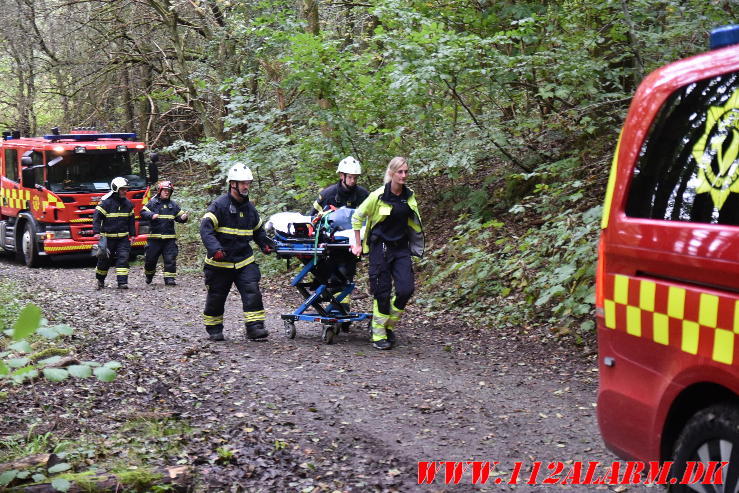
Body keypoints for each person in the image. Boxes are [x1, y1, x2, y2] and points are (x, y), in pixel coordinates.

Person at [351, 157, 424, 350]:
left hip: (401, 249)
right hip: (380, 248)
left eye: (406, 172)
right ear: (391, 173)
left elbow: (414, 221)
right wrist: (357, 244)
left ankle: (388, 325)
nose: (404, 175)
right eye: (400, 172)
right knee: (382, 293)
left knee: (405, 290)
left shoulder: (409, 196)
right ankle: (378, 334)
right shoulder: (377, 196)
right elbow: (357, 217)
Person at [200, 162, 275, 341]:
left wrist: (265, 244)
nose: (246, 186)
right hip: (220, 262)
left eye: (248, 182)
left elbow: (258, 231)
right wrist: (215, 249)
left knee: (252, 291)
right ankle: (214, 328)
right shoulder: (219, 206)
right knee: (216, 296)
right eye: (242, 183)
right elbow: (206, 229)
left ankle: (255, 328)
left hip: (244, 261)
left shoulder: (250, 209)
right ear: (232, 184)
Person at [311, 156, 369, 320]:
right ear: (341, 176)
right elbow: (313, 218)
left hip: (350, 245)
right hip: (329, 246)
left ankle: (341, 310)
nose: (352, 181)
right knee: (328, 273)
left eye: (355, 178)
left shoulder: (363, 195)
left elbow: (370, 218)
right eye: (350, 177)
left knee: (346, 273)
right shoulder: (328, 195)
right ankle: (332, 303)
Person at [140, 180, 188, 286]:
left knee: (170, 259)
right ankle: (149, 275)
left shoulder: (173, 205)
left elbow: (180, 217)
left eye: (169, 191)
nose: (167, 192)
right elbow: (142, 212)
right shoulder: (152, 203)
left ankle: (169, 279)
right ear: (160, 191)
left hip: (169, 239)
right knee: (150, 260)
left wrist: (184, 217)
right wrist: (151, 215)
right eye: (165, 190)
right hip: (154, 239)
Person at [93, 177, 135, 290]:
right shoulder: (106, 203)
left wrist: (133, 234)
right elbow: (96, 217)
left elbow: (131, 220)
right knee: (104, 261)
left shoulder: (128, 204)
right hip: (108, 238)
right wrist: (96, 232)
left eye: (126, 189)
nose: (125, 191)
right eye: (122, 189)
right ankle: (100, 280)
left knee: (123, 259)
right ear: (116, 189)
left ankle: (122, 283)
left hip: (123, 238)